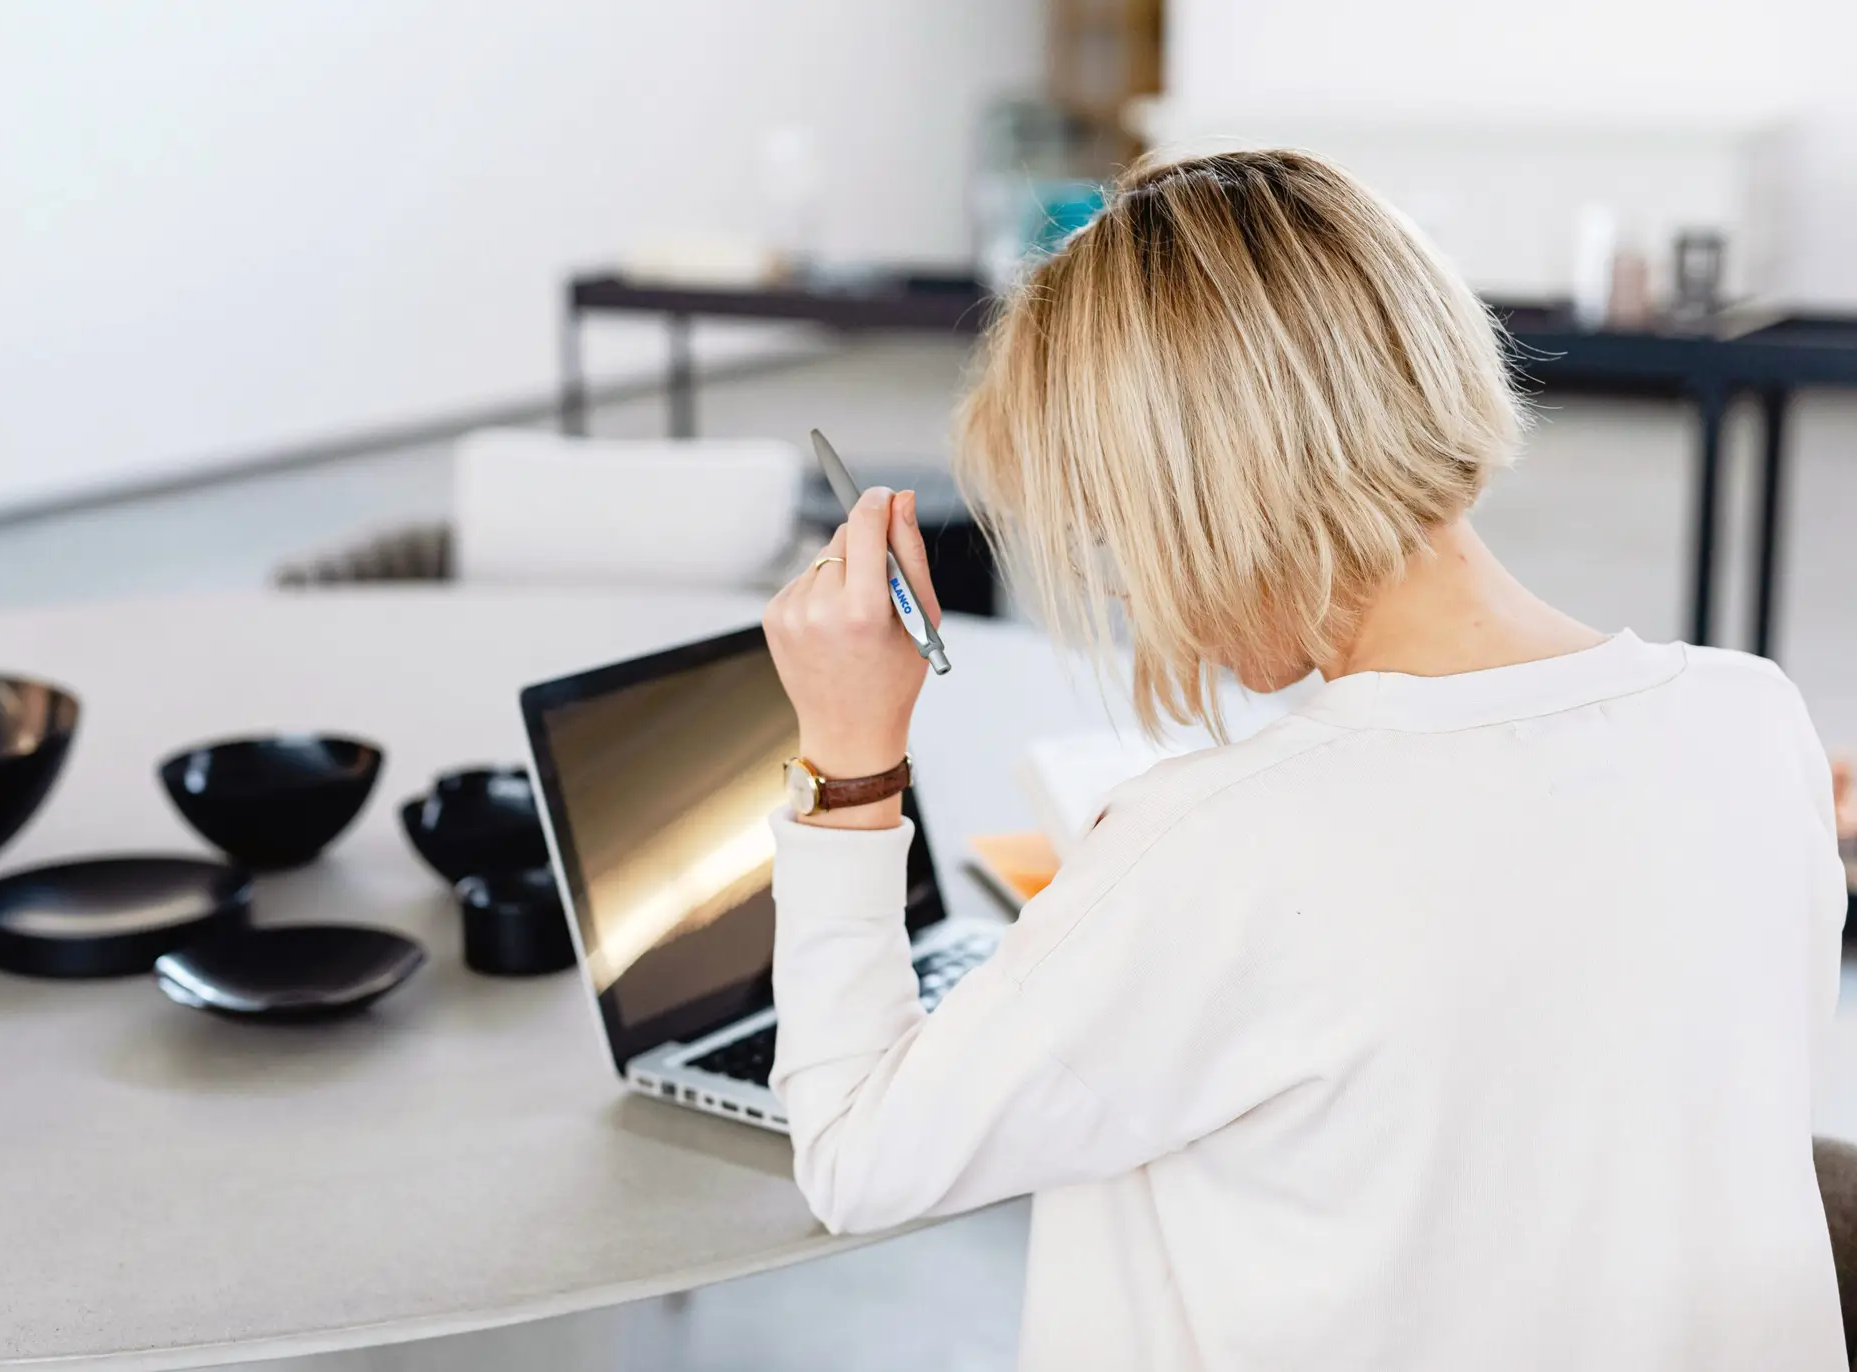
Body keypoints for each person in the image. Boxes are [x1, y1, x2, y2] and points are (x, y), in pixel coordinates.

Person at [760, 150, 1847, 1370]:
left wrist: (849, 756)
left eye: (1116, 536)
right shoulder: (1752, 717)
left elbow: (857, 1156)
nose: (1136, 595)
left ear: (1201, 503)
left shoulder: (1216, 841)